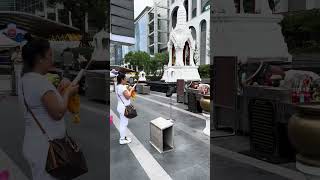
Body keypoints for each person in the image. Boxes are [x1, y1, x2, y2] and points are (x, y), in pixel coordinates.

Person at [19, 39, 79, 180]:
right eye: (50, 55)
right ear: (40, 59)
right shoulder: (39, 81)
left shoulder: (26, 79)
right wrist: (68, 92)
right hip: (46, 150)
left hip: (36, 143)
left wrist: (59, 91)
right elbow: (58, 112)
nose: (52, 59)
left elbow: (42, 102)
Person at [116, 72, 136, 145]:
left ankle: (124, 137)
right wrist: (131, 89)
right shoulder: (122, 87)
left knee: (123, 123)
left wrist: (127, 88)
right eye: (125, 79)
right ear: (122, 79)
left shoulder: (118, 86)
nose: (126, 80)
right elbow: (128, 97)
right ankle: (122, 139)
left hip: (121, 107)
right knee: (124, 124)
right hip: (124, 108)